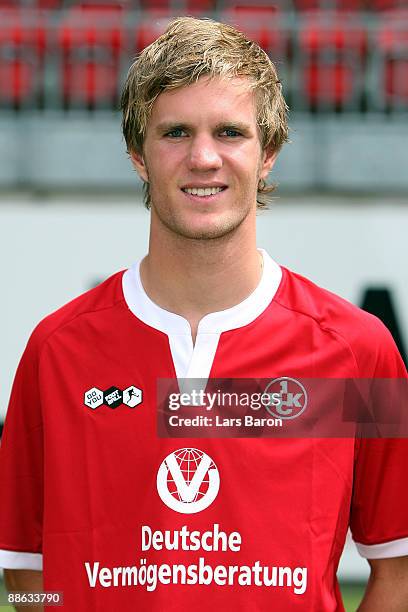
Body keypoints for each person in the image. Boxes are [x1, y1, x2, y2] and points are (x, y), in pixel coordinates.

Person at [1, 15, 408, 612]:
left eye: (229, 132)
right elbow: (27, 579)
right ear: (139, 154)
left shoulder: (359, 350)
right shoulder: (57, 350)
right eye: (174, 133)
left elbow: (397, 571)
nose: (203, 157)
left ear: (268, 153)